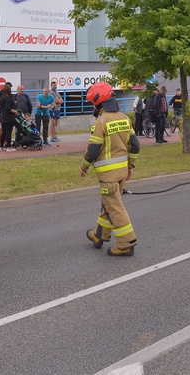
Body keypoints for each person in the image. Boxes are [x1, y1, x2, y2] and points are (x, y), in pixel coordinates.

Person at [81, 82, 140, 257]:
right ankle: (99, 236)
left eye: (93, 102)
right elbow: (135, 145)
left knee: (114, 207)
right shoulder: (124, 118)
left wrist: (84, 166)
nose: (92, 105)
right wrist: (130, 166)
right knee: (109, 204)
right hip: (121, 172)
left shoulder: (101, 121)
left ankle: (126, 244)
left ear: (99, 102)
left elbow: (93, 150)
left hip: (108, 175)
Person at [0, 83, 18, 151]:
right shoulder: (8, 98)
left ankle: (1, 146)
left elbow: (1, 106)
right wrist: (14, 111)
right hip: (8, 117)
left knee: (4, 132)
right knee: (9, 132)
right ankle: (9, 147)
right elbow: (7, 108)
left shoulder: (1, 98)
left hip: (2, 116)